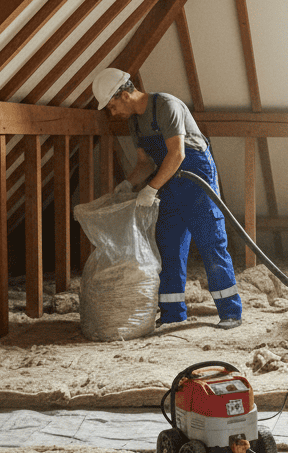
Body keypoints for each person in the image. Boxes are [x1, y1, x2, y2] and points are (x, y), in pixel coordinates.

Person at [91, 68, 242, 329]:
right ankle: (173, 313)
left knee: (211, 243)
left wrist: (149, 190)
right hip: (169, 182)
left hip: (197, 180)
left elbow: (177, 154)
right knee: (168, 246)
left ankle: (230, 312)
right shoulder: (135, 122)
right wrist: (128, 184)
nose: (112, 113)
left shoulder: (166, 105)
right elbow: (145, 163)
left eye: (112, 106)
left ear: (123, 94)